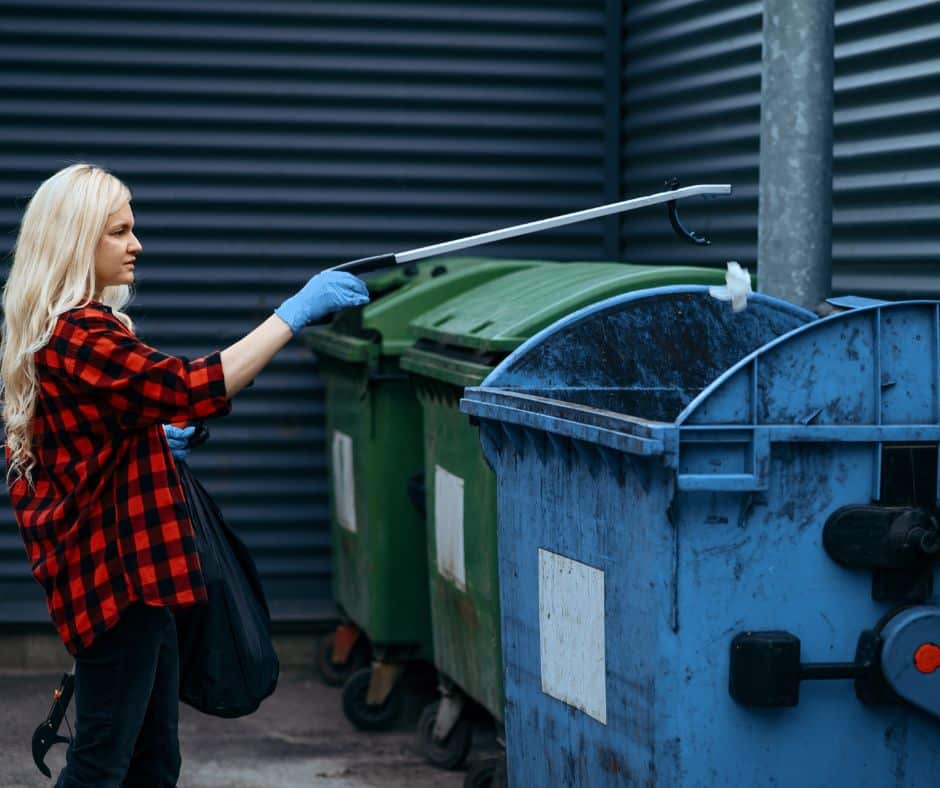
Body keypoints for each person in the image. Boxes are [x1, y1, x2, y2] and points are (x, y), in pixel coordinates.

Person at [0, 163, 369, 787]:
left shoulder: (66, 330)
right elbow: (191, 386)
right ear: (76, 240)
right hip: (117, 585)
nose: (137, 245)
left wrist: (153, 440)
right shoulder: (79, 333)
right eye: (119, 232)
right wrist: (292, 314)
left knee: (152, 760)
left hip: (137, 582)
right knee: (101, 763)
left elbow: (90, 438)